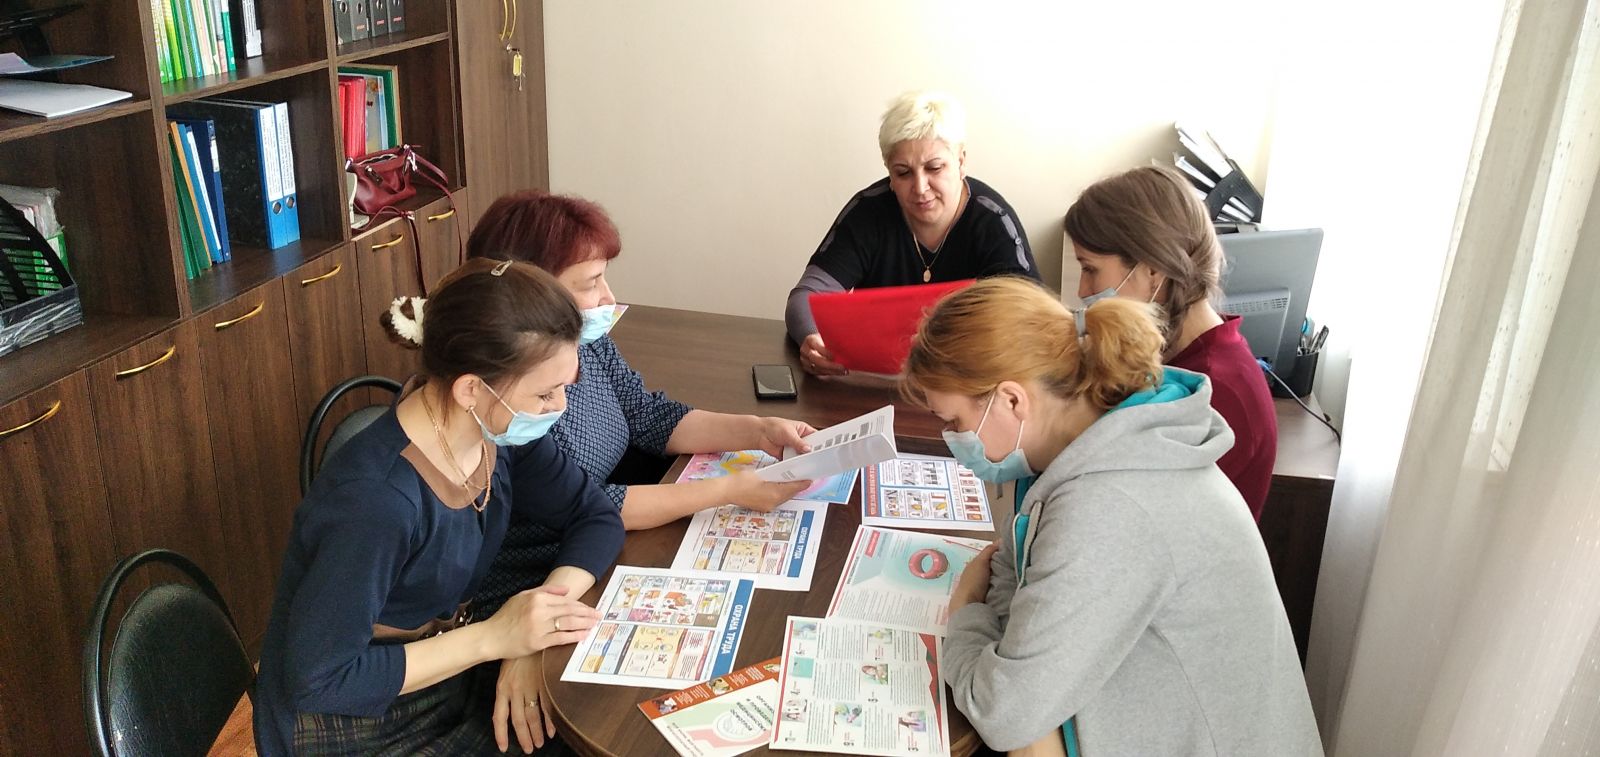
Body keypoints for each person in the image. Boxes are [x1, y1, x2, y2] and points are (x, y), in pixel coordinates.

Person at [901, 277, 1320, 756]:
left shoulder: (1111, 503)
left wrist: (962, 615)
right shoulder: (1086, 446)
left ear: (1012, 400)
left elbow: (1003, 713)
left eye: (954, 423)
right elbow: (1012, 577)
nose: (954, 443)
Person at [254, 259, 623, 756]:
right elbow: (320, 679)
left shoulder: (497, 428)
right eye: (545, 393)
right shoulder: (376, 500)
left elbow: (595, 517)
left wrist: (537, 620)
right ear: (471, 388)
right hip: (353, 719)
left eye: (564, 387)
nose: (560, 406)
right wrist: (497, 638)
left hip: (447, 671)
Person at [463, 190, 815, 539]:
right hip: (561, 553)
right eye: (591, 283)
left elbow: (648, 415)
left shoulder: (586, 343)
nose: (609, 297)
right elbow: (588, 507)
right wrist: (730, 490)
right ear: (531, 291)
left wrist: (759, 431)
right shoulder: (507, 395)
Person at [1064, 165, 1278, 520]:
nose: (1082, 291)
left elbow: (1134, 516)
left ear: (1152, 270)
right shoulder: (1172, 358)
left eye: (1090, 269)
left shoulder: (1213, 391)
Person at [786, 90, 1039, 376]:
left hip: (964, 384)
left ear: (961, 162)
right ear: (889, 172)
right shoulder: (868, 212)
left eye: (934, 168)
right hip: (876, 384)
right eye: (903, 173)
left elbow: (1030, 320)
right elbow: (806, 296)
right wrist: (812, 337)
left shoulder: (994, 222)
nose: (920, 188)